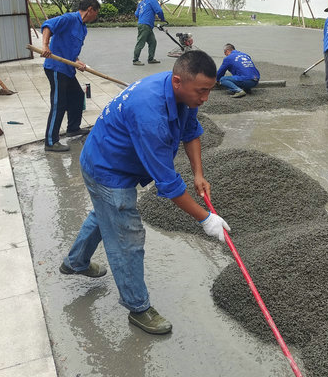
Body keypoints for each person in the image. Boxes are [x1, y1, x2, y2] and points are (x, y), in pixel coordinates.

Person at [60, 50, 230, 335]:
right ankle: (138, 308)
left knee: (106, 214)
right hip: (107, 168)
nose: (205, 98)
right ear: (177, 81)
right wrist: (206, 219)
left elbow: (190, 131)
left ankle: (75, 262)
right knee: (127, 236)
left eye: (209, 91)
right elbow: (168, 183)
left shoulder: (184, 95)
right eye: (202, 91)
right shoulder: (151, 114)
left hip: (115, 159)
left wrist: (199, 174)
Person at [41, 0, 100, 152]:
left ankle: (73, 128)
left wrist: (78, 61)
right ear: (90, 10)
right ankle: (50, 142)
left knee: (77, 96)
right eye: (96, 12)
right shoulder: (69, 19)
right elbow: (48, 26)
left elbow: (72, 48)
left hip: (68, 68)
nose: (96, 16)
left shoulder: (83, 28)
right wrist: (45, 45)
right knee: (58, 103)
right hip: (55, 67)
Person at [133, 0, 164, 66]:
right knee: (140, 42)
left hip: (145, 25)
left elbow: (136, 14)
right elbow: (159, 10)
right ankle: (135, 60)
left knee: (153, 42)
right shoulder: (152, 0)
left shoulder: (142, 2)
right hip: (145, 25)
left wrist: (143, 17)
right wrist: (162, 18)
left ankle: (151, 59)